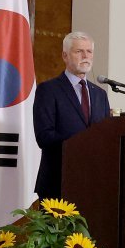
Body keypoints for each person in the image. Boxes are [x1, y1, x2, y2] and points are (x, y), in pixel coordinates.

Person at [32, 32, 110, 200]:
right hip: (58, 182)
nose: (85, 56)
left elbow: (105, 137)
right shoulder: (48, 90)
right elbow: (44, 136)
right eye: (79, 51)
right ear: (65, 56)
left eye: (89, 51)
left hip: (93, 184)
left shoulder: (100, 94)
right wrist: (84, 140)